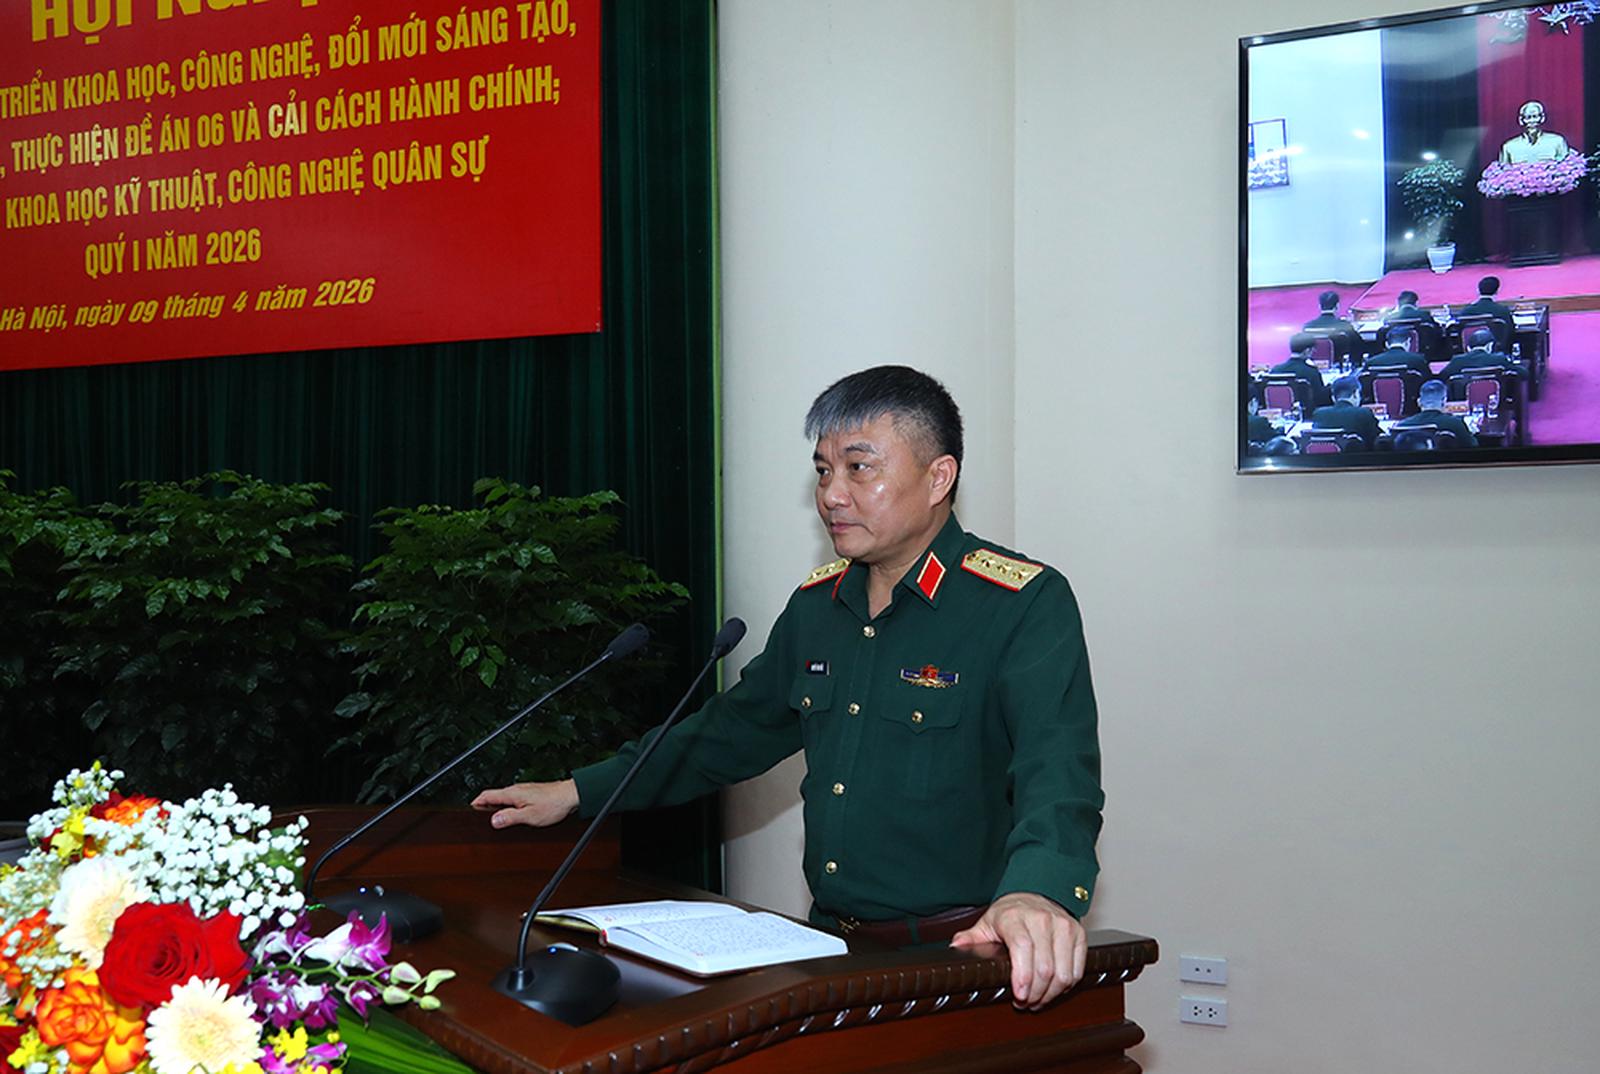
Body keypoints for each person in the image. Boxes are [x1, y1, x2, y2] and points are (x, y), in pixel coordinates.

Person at [473, 366, 1103, 1010]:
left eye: (859, 468)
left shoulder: (1019, 603)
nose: (832, 495)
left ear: (938, 477)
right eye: (824, 471)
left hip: (959, 960)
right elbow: (723, 736)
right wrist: (577, 791)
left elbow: (1058, 773)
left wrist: (1038, 891)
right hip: (828, 946)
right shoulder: (816, 607)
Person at [1393, 379, 1477, 449]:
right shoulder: (1456, 424)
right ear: (1444, 401)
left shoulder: (1400, 426)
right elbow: (1473, 447)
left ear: (1419, 402)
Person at [1310, 375, 1381, 449]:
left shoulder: (1319, 414)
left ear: (1333, 398)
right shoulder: (1364, 413)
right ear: (1355, 394)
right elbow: (1377, 440)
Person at [1439, 327, 1529, 382]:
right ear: (1490, 346)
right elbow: (1524, 374)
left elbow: (1441, 378)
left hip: (1463, 402)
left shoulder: (1457, 361)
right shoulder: (1499, 359)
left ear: (1468, 348)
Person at [1270, 333, 1333, 411]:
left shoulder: (1276, 370)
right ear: (1307, 350)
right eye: (1312, 350)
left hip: (1279, 411)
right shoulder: (1311, 372)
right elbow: (1320, 399)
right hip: (1308, 413)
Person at [1499, 100, 1571, 164]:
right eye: (1528, 117)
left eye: (1535, 116)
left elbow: (1567, 167)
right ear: (1521, 120)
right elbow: (1503, 172)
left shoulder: (1557, 141)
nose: (1532, 121)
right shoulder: (1509, 146)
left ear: (1542, 118)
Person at [1302, 291, 1362, 361]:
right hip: (1339, 364)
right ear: (1337, 306)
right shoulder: (1345, 326)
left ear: (1319, 306)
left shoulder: (1307, 327)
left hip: (1313, 364)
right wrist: (1355, 329)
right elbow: (1358, 346)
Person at [1383, 290, 1443, 358]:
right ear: (1416, 303)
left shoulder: (1389, 318)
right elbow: (1437, 331)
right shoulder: (1424, 315)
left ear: (1398, 303)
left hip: (1394, 356)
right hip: (1424, 353)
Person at [1364, 326, 1433, 379]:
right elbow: (1428, 381)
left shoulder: (1370, 363)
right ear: (1408, 342)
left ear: (1386, 344)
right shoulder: (1418, 360)